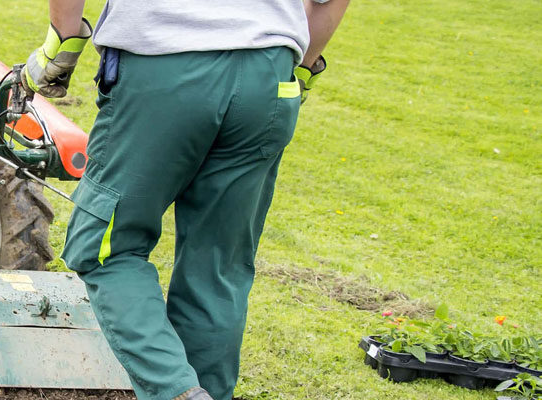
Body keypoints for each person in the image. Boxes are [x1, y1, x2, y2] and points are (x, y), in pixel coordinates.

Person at [22, 0, 350, 399]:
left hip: (164, 63)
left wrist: (65, 39)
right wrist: (301, 65)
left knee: (105, 248)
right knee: (218, 265)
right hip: (270, 76)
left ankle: (175, 391)